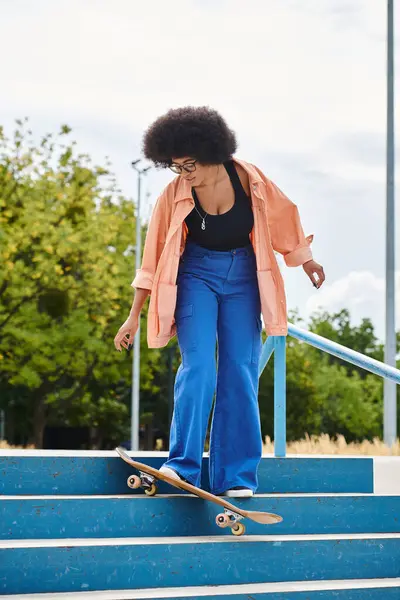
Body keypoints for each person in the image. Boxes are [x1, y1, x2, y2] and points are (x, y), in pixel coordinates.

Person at [114, 106, 325, 497]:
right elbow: (153, 258)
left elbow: (284, 218)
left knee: (240, 373)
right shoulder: (173, 196)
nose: (185, 172)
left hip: (244, 277)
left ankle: (237, 477)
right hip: (195, 276)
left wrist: (305, 260)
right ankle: (182, 466)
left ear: (215, 152)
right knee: (199, 369)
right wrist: (133, 316)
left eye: (190, 163)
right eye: (176, 166)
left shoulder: (250, 180)